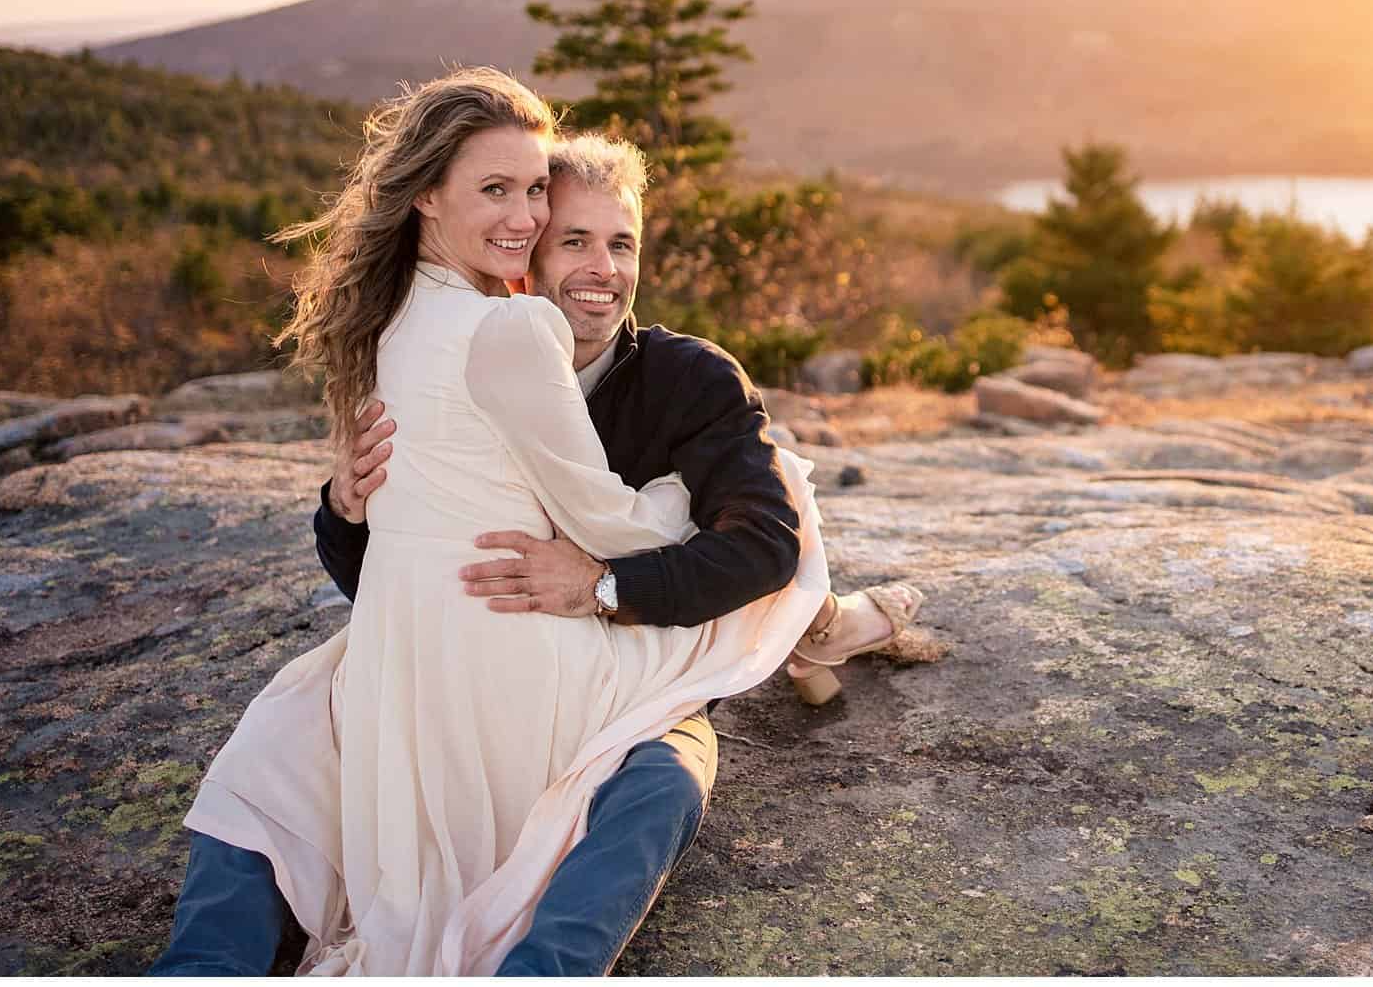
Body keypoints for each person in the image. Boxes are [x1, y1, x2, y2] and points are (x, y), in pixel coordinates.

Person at [146, 71, 883, 976]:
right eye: (570, 238)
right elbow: (408, 567)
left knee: (662, 772)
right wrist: (344, 506)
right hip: (459, 657)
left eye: (623, 244)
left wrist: (602, 586)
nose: (601, 271)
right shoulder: (468, 344)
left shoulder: (689, 378)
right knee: (280, 741)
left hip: (618, 652)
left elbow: (767, 543)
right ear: (529, 251)